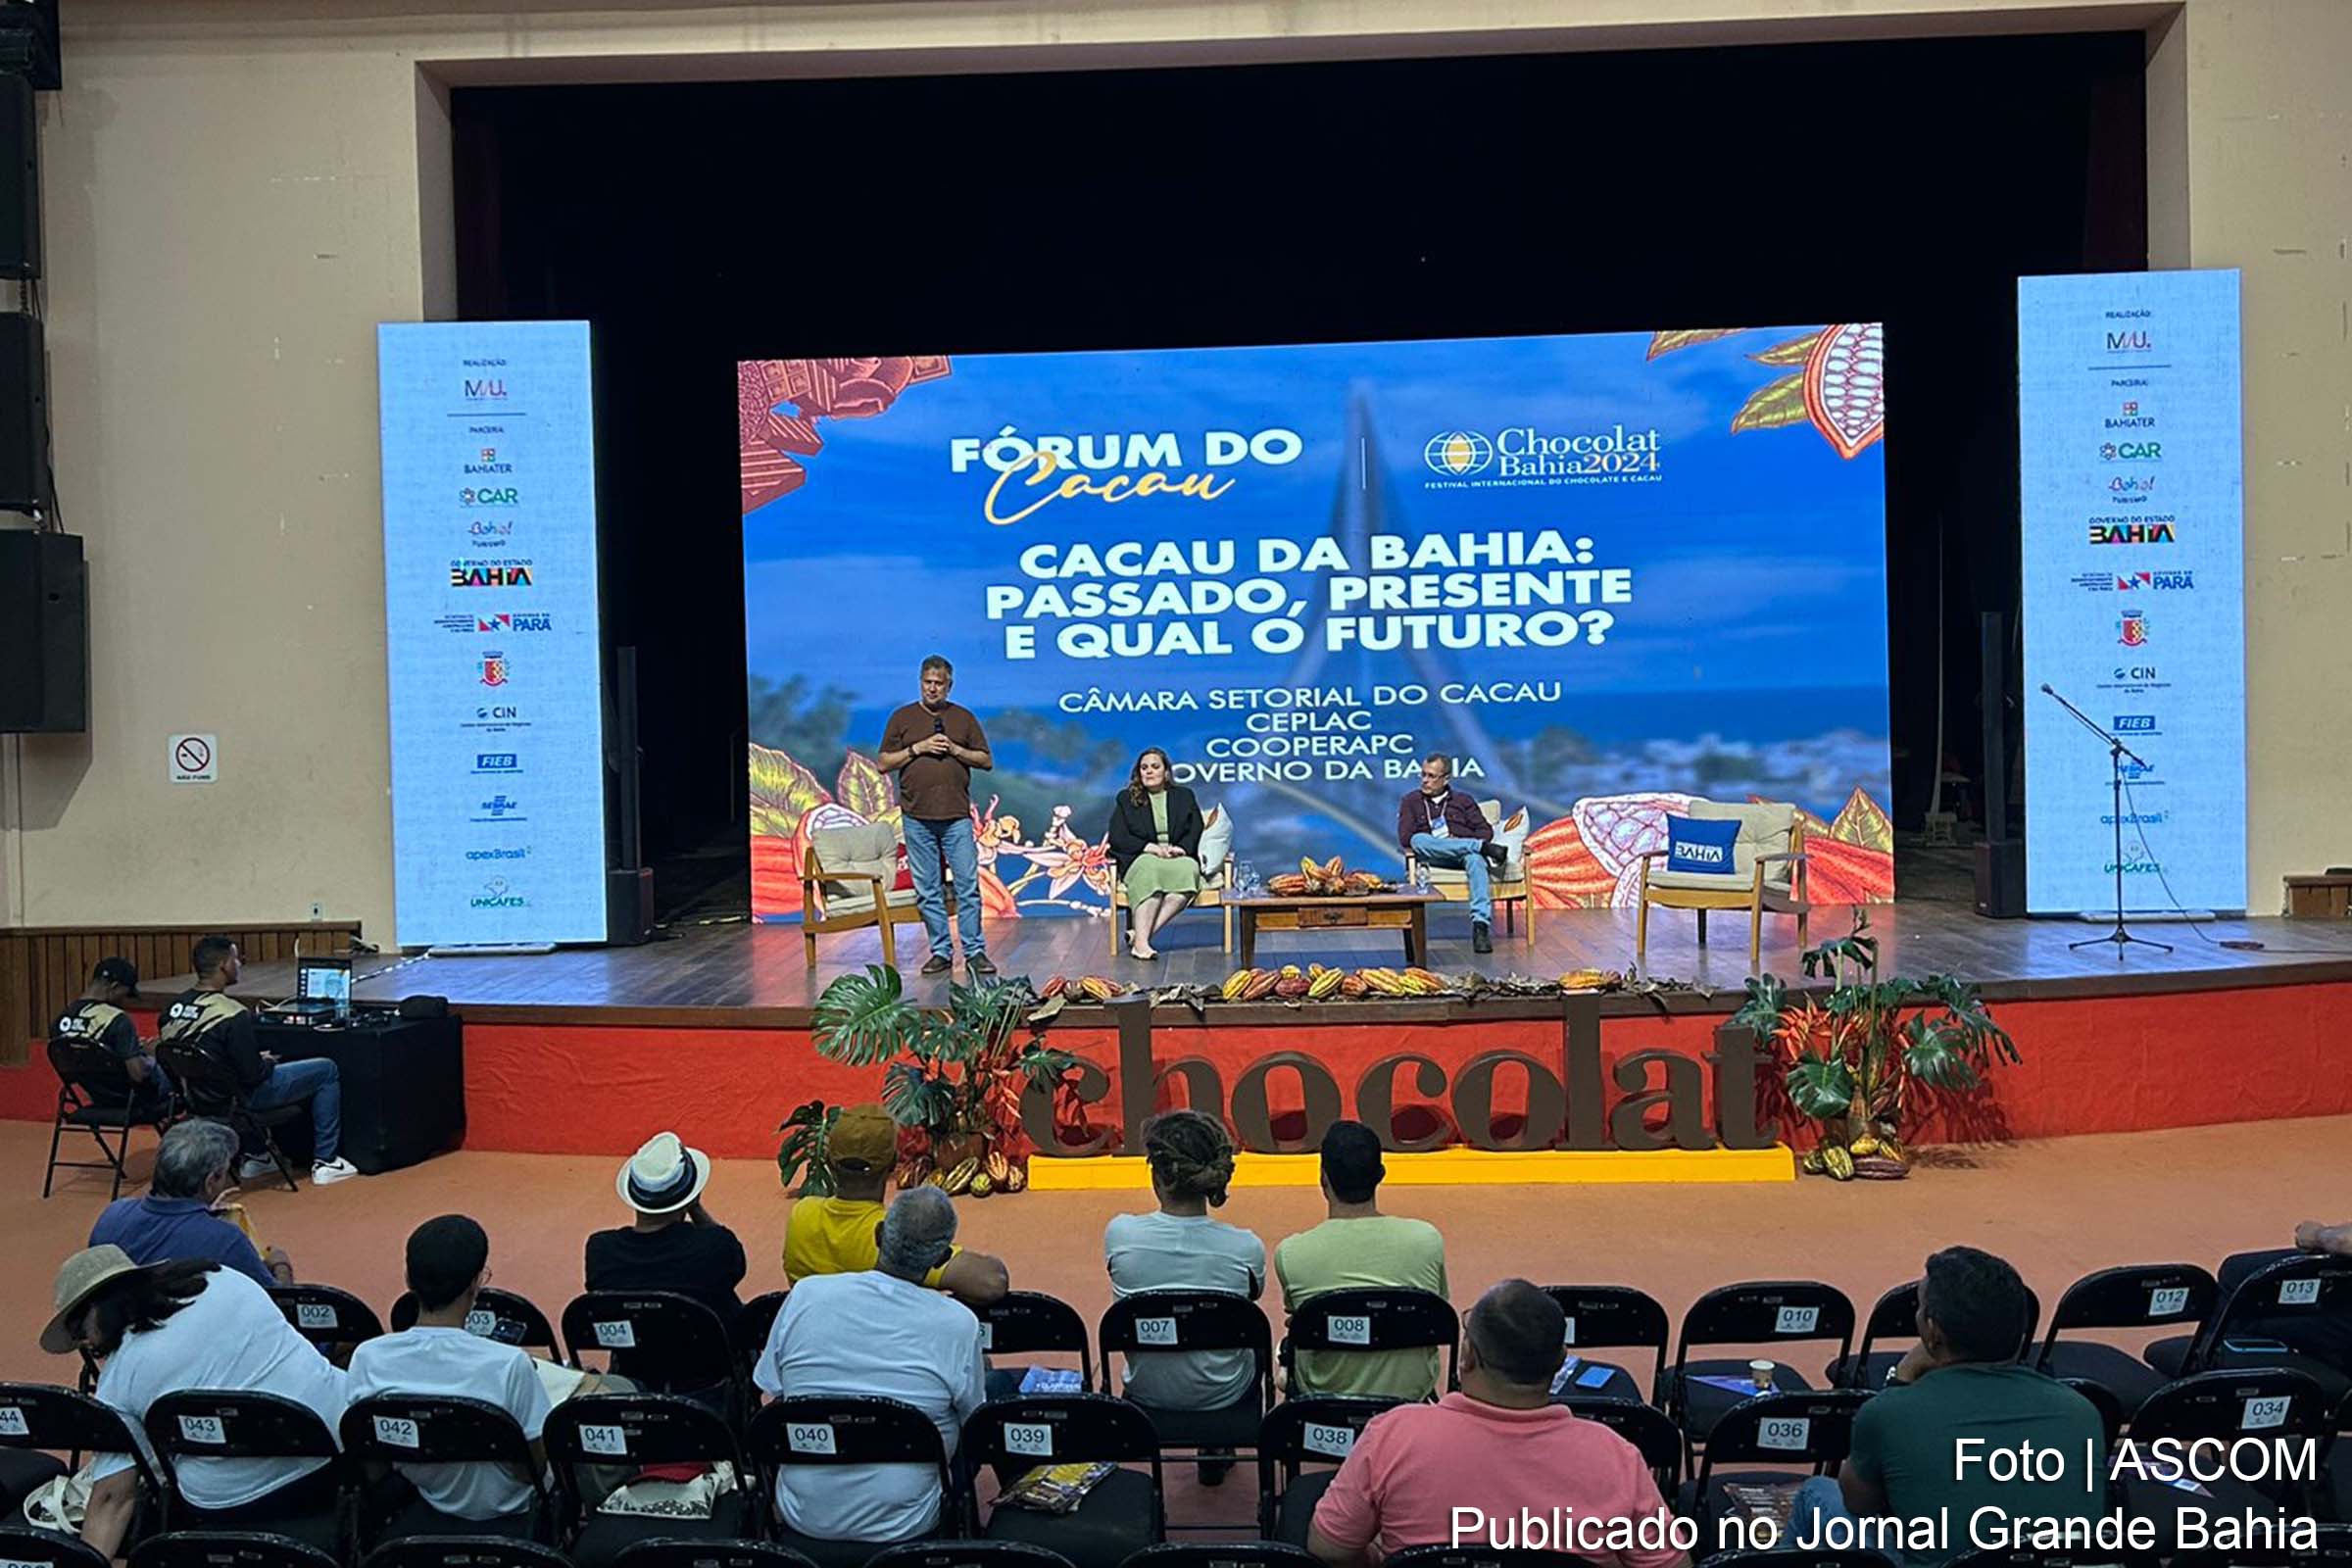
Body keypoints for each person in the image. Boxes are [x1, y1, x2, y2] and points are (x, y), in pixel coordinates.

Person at [1307, 1279, 1688, 1568]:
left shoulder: (1392, 1435)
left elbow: (1329, 1548)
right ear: (1561, 1361)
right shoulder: (1614, 1455)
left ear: (1467, 1356)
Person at [1789, 1246, 2106, 1563]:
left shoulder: (1889, 1413)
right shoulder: (2082, 1411)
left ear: (1933, 1331)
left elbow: (1858, 1503)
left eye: (1921, 1308)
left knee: (1817, 1493)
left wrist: (1901, 1378)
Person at [45, 1246, 349, 1558]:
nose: (85, 1343)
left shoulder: (119, 1378)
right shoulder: (224, 1277)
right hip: (332, 1456)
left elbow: (113, 1500)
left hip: (231, 1501)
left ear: (97, 1309)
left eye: (78, 1330)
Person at [754, 1188, 988, 1547]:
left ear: (879, 1236)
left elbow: (773, 1389)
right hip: (905, 1522)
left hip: (804, 1514)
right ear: (941, 1258)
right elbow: (975, 1422)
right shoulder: (959, 1323)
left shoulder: (805, 1295)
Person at [348, 1215, 552, 1536]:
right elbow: (533, 1471)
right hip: (510, 1510)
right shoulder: (510, 1364)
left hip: (427, 1497)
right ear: (475, 1283)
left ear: (409, 1279)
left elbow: (373, 1461)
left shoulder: (368, 1358)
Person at [1105, 1108, 1264, 1484]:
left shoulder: (1120, 1234)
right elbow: (1252, 1296)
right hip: (1226, 1394)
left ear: (1157, 1176)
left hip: (1145, 1394)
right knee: (1251, 1333)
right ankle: (1216, 1444)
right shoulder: (1245, 1247)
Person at [157, 935, 359, 1186]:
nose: (239, 964)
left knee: (232, 1077)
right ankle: (326, 1161)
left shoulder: (171, 1010)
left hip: (198, 1099)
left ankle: (258, 1156)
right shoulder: (232, 1014)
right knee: (326, 1070)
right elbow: (254, 1075)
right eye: (235, 959)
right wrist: (268, 1061)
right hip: (239, 1101)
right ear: (223, 965)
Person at [1276, 1119, 1447, 1399]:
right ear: (1380, 1174)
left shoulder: (1292, 1252)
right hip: (1408, 1400)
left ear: (1323, 1178)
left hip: (1325, 1403)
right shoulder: (1427, 1240)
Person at [783, 1102, 1008, 1306]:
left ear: (830, 1161)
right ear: (892, 1163)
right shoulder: (896, 1236)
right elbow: (991, 1282)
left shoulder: (801, 1216)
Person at [585, 1132, 747, 1382]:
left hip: (634, 1371)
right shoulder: (715, 1247)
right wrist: (695, 1207)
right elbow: (733, 1261)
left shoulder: (600, 1250)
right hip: (707, 1378)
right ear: (690, 1194)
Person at [876, 655, 995, 976]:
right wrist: (918, 748)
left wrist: (956, 750)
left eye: (938, 683)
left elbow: (985, 760)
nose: (932, 688)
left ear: (949, 685)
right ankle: (941, 951)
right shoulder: (902, 718)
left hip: (956, 816)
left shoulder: (963, 718)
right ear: (920, 683)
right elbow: (884, 762)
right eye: (927, 682)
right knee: (928, 888)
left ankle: (975, 952)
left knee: (967, 886)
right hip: (917, 817)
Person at [90, 1117, 294, 1288]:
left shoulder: (112, 1216)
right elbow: (278, 1302)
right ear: (209, 1182)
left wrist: (202, 1215)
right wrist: (281, 1264)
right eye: (223, 1174)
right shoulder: (226, 1239)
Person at [1395, 753, 1508, 955]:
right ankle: (1480, 849)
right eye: (1423, 775)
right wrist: (1452, 843)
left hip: (1461, 856)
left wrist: (1459, 841)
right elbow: (1405, 838)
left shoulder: (1463, 800)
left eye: (1431, 776)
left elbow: (1485, 831)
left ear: (1446, 778)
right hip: (1431, 857)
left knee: (1474, 859)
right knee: (1418, 839)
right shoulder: (1410, 801)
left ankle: (1480, 927)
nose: (1425, 780)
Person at [1106, 747, 1207, 960]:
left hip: (1174, 855)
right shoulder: (1126, 798)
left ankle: (1140, 937)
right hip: (1140, 856)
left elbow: (1195, 827)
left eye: (1155, 767)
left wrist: (1182, 848)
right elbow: (1117, 836)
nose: (1149, 772)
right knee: (1150, 869)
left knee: (1189, 869)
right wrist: (1149, 847)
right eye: (1144, 768)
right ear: (1138, 773)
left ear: (1166, 773)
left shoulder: (1184, 796)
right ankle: (1142, 945)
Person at [52, 956, 170, 1100]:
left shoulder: (60, 1021)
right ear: (114, 987)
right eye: (125, 994)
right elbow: (138, 1075)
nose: (125, 1000)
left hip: (95, 1095)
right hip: (128, 1098)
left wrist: (133, 1048)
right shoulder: (116, 1019)